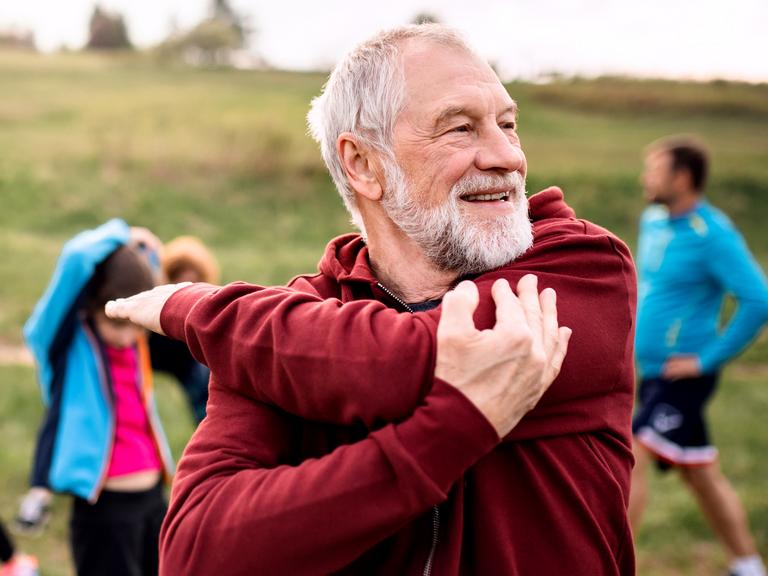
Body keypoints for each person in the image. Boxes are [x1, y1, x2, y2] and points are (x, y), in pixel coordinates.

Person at [108, 24, 637, 575]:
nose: (507, 156)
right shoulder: (285, 330)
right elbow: (198, 554)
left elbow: (402, 362)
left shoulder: (583, 266)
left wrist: (200, 310)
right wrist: (451, 429)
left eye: (508, 124)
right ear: (363, 164)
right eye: (460, 128)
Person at [630, 136, 768, 576]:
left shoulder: (714, 235)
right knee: (700, 473)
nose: (645, 178)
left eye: (655, 170)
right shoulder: (653, 221)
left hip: (683, 376)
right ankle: (748, 565)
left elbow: (758, 300)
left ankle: (612, 566)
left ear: (682, 177)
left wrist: (705, 360)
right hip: (651, 372)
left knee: (630, 453)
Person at [20, 219, 175, 576]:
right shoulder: (65, 346)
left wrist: (148, 252)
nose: (127, 335)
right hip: (105, 508)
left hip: (153, 499)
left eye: (133, 323)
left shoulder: (137, 343)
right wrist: (125, 233)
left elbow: (151, 283)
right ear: (90, 306)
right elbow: (76, 256)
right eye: (115, 323)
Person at [149, 236, 219, 423]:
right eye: (179, 281)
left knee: (205, 392)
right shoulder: (152, 301)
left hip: (185, 358)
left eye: (194, 283)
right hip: (152, 350)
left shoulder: (206, 308)